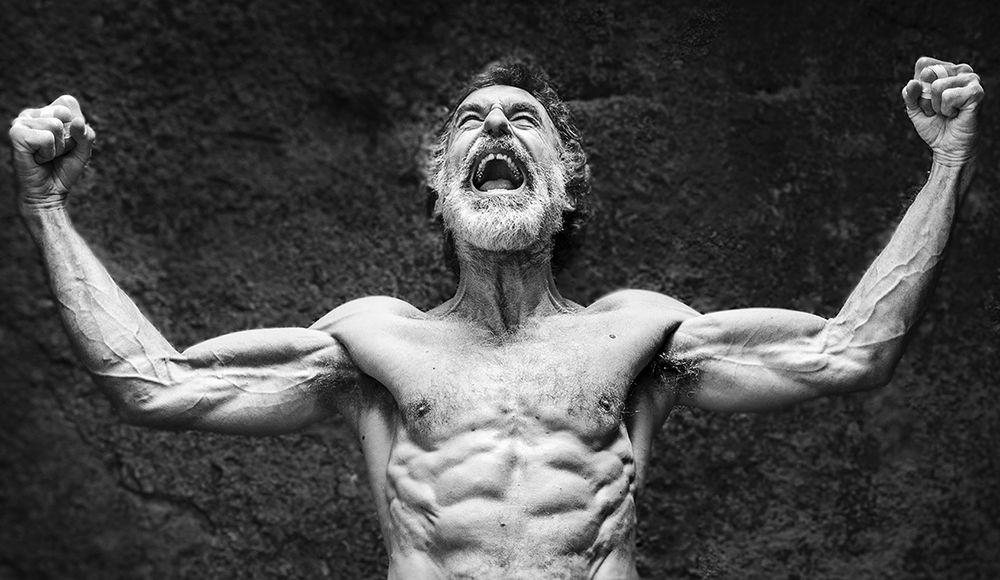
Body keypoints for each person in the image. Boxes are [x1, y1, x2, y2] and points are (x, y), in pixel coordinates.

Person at [8, 56, 984, 579]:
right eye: (472, 122)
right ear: (439, 193)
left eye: (524, 119)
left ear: (567, 190)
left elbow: (852, 350)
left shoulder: (642, 337)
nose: (497, 129)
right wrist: (47, 206)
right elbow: (153, 385)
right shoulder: (373, 345)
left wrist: (947, 158)